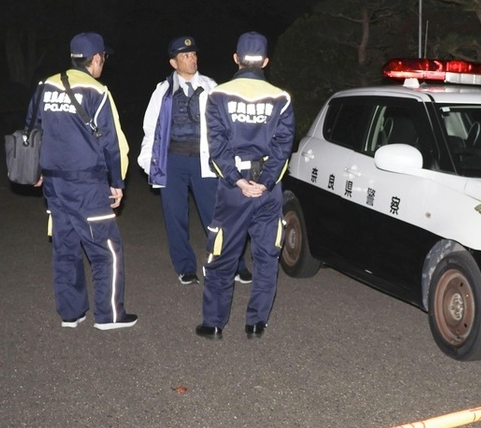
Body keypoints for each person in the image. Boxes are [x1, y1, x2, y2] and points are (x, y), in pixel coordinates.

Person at [25, 32, 137, 330]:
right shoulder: (97, 91)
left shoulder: (45, 85)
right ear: (96, 59)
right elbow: (113, 143)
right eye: (103, 58)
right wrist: (117, 182)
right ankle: (110, 315)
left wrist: (36, 169)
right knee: (106, 248)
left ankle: (71, 314)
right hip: (86, 184)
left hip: (54, 184)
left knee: (65, 247)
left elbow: (32, 129)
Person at [196, 31, 294, 340]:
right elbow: (283, 148)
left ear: (236, 58)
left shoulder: (218, 95)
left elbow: (217, 147)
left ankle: (213, 324)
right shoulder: (281, 97)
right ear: (265, 61)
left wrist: (239, 181)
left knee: (223, 255)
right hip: (269, 191)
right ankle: (256, 324)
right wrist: (264, 183)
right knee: (266, 258)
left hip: (233, 189)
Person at [138, 36, 251, 285]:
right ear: (173, 62)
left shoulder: (211, 87)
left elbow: (227, 127)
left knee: (217, 216)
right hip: (172, 162)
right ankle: (185, 266)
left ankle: (232, 263)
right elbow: (151, 128)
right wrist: (149, 162)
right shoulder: (163, 91)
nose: (192, 59)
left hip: (205, 162)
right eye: (186, 56)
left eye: (194, 54)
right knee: (175, 216)